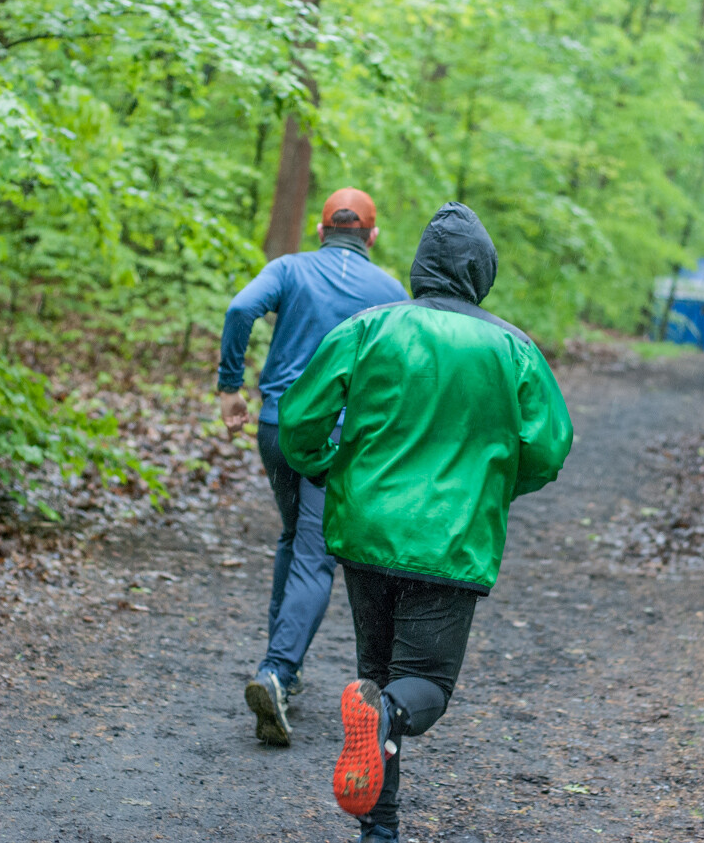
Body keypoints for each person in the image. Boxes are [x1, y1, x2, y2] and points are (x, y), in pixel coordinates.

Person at [278, 202, 573, 843]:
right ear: (481, 272)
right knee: (423, 688)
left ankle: (378, 832)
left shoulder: (369, 328)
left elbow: (300, 418)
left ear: (420, 268)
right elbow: (549, 449)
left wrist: (326, 467)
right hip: (450, 541)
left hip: (365, 532)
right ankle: (381, 751)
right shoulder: (513, 349)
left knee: (378, 686)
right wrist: (494, 488)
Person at [216, 187, 407, 747]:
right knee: (315, 552)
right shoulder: (392, 292)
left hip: (276, 427)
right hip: (337, 438)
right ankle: (276, 670)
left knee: (295, 534)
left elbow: (238, 308)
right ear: (371, 236)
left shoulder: (289, 268)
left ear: (322, 231)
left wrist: (230, 388)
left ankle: (282, 670)